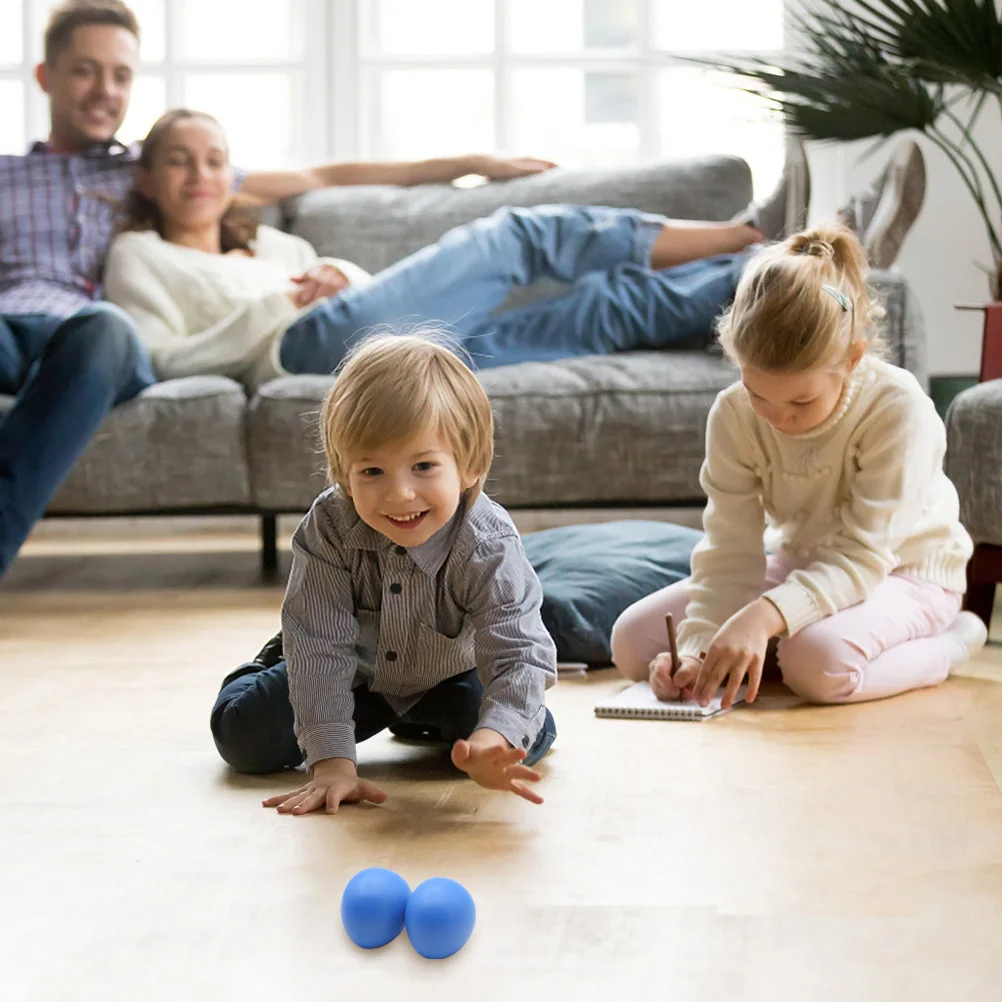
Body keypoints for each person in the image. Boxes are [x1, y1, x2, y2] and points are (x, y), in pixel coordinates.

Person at [0, 0, 554, 577]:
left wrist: (471, 161)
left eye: (121, 75)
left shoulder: (152, 168)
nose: (104, 91)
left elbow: (326, 177)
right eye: (86, 70)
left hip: (91, 345)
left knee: (104, 326)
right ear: (46, 77)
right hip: (9, 327)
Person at [104, 108, 798, 385]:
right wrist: (279, 306)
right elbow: (155, 359)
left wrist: (337, 274)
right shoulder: (141, 255)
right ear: (145, 176)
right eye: (178, 160)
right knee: (518, 235)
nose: (200, 175)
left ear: (234, 174)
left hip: (385, 358)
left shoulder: (275, 244)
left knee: (600, 310)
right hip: (302, 355)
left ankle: (779, 265)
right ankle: (748, 229)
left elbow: (370, 298)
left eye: (215, 158)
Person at [610, 223, 987, 711]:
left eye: (801, 401)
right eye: (758, 393)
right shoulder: (732, 412)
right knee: (632, 643)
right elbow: (729, 549)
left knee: (815, 666)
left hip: (905, 571)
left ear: (853, 359)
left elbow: (863, 557)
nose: (778, 418)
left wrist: (762, 618)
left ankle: (952, 641)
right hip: (801, 564)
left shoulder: (898, 408)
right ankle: (774, 641)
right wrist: (697, 651)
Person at [210, 334, 557, 814]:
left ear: (470, 466)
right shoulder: (330, 526)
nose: (399, 495)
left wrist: (493, 737)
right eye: (372, 472)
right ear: (342, 474)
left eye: (423, 466)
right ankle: (274, 656)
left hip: (450, 672)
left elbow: (519, 652)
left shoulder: (488, 541)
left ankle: (425, 716)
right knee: (243, 739)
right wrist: (332, 762)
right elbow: (321, 647)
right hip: (354, 669)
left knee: (520, 736)